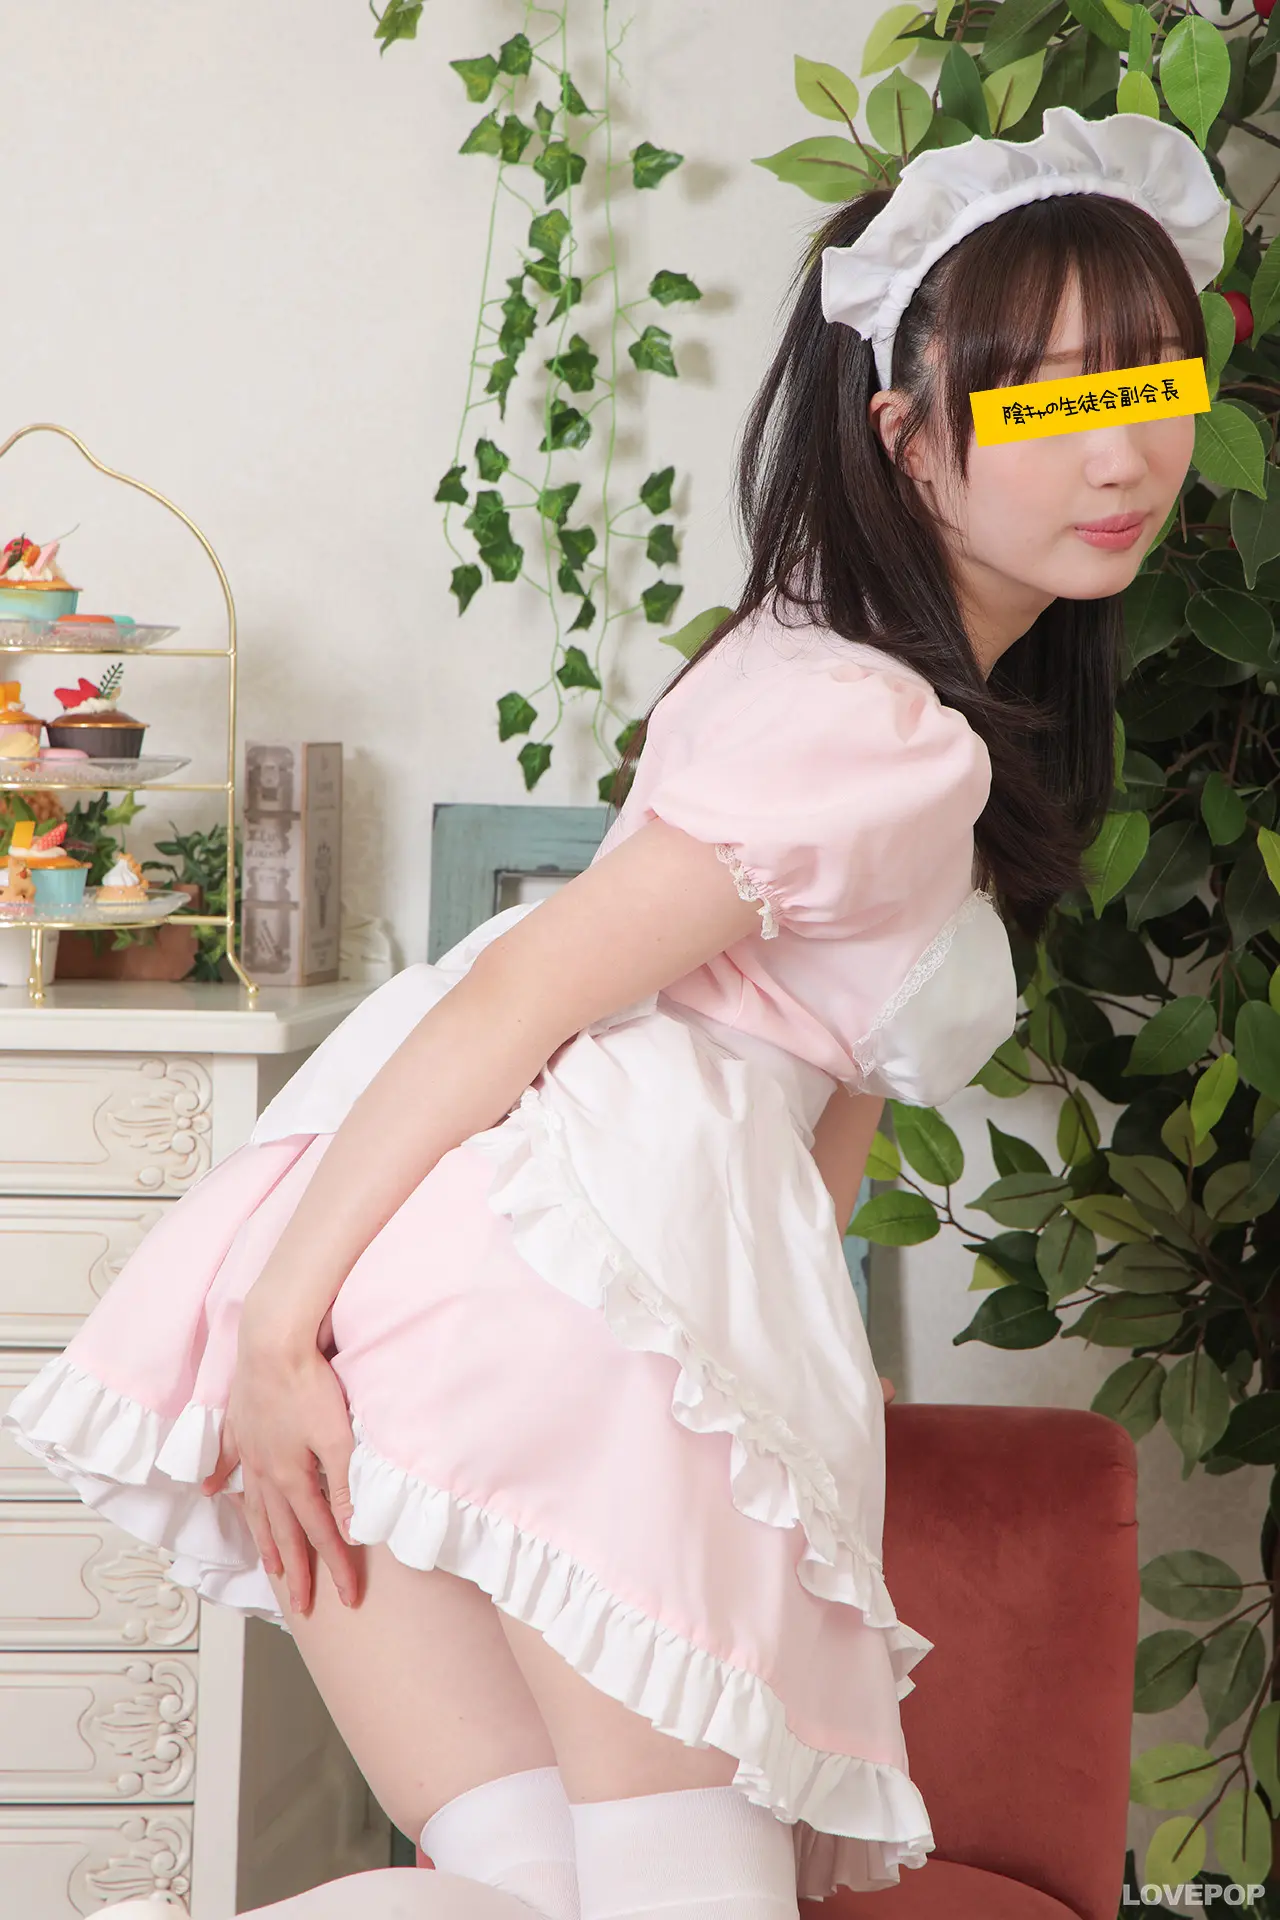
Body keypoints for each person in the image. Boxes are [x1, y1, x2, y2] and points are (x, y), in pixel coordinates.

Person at [7, 103, 1226, 1920]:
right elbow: (527, 984)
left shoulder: (827, 670)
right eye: (1049, 402)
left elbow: (817, 1130)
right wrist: (272, 1335)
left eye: (1153, 382)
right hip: (567, 1315)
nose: (1122, 451)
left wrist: (799, 1419)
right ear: (904, 434)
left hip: (488, 1295)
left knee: (538, 1893)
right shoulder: (873, 727)